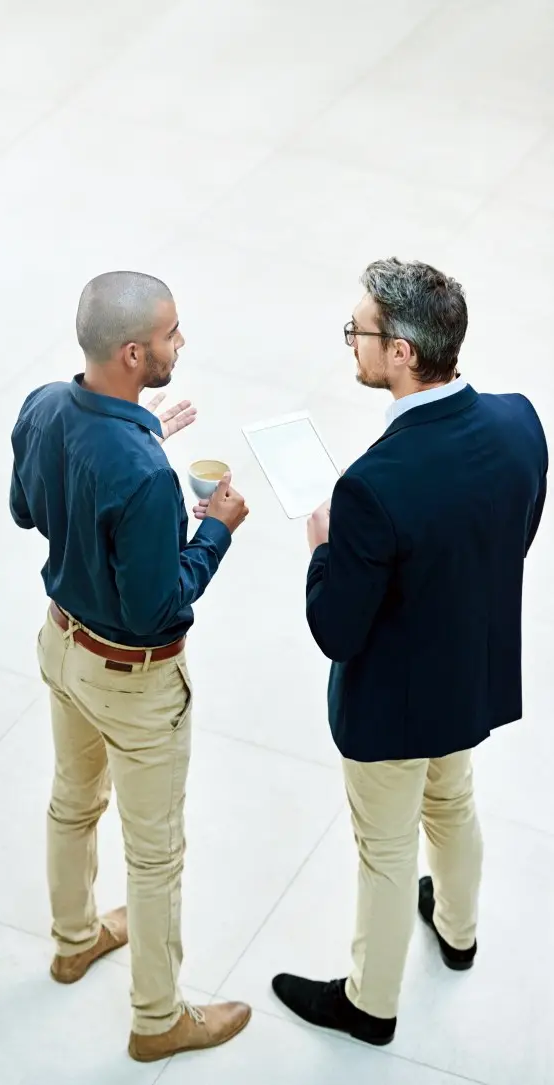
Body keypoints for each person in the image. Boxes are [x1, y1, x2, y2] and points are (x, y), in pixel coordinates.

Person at [270, 258, 548, 1045]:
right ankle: (458, 933)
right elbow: (512, 539)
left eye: (358, 331)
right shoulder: (520, 422)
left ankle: (370, 1003)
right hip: (468, 679)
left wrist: (323, 546)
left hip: (392, 704)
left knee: (387, 850)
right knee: (453, 803)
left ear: (401, 353)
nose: (350, 343)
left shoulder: (371, 486)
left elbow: (336, 630)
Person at [9, 271, 251, 1062]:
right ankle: (158, 1019)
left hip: (62, 645)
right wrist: (213, 528)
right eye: (175, 334)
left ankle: (74, 938)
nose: (183, 344)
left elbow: (27, 507)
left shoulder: (45, 404)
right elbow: (160, 605)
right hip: (134, 680)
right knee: (154, 855)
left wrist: (141, 436)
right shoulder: (146, 475)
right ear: (135, 351)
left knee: (72, 800)